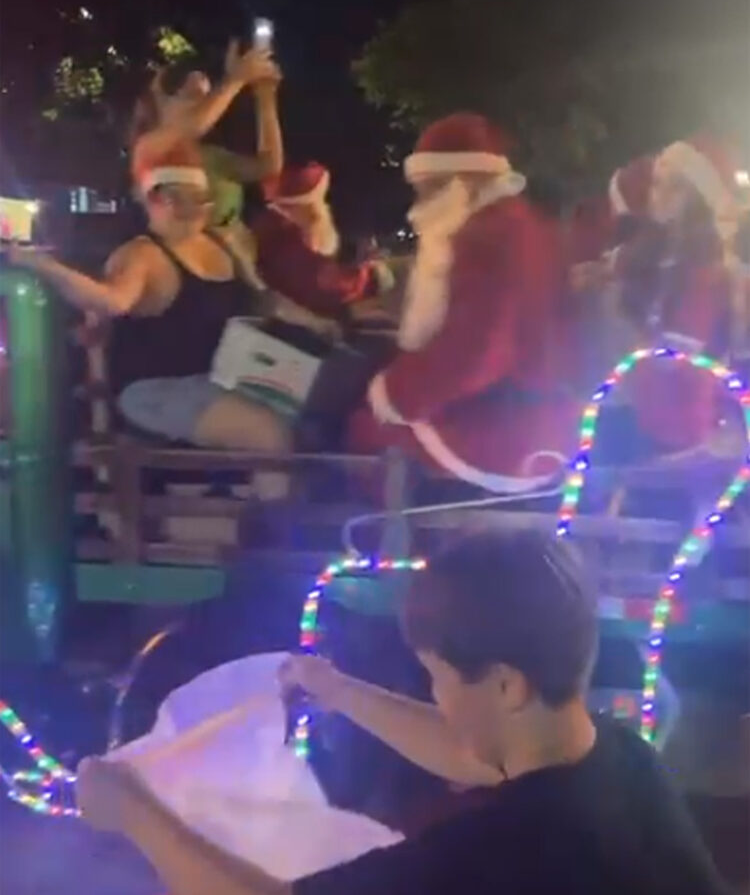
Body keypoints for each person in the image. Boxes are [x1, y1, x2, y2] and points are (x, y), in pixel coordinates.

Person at [76, 527, 729, 894]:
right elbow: (465, 753)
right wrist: (334, 688)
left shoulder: (500, 854)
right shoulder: (620, 758)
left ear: (504, 684)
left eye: (439, 676)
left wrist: (135, 810)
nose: (436, 695)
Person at [9, 141, 290, 457]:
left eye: (201, 200)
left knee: (309, 413)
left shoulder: (222, 242)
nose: (194, 212)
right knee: (266, 431)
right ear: (155, 200)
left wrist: (324, 323)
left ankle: (266, 500)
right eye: (181, 201)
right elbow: (112, 301)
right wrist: (41, 264)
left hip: (225, 376)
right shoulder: (141, 254)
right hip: (155, 390)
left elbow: (263, 297)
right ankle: (277, 506)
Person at [347, 113, 579, 492]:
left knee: (357, 434)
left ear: (462, 182)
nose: (417, 205)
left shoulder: (485, 235)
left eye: (427, 189)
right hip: (540, 423)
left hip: (495, 434)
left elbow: (476, 354)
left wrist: (393, 394)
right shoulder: (524, 223)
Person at [577, 135, 742, 455]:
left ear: (698, 198)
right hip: (650, 410)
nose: (657, 195)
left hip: (676, 423)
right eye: (657, 184)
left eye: (672, 187)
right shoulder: (667, 250)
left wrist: (614, 335)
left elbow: (673, 357)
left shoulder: (703, 267)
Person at [130, 40, 284, 231]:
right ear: (158, 102)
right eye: (191, 97)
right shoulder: (147, 148)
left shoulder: (209, 155)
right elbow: (192, 126)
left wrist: (265, 95)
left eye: (205, 98)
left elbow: (268, 165)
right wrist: (237, 79)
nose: (206, 107)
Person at [252, 162, 393, 321]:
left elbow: (374, 272)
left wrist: (371, 265)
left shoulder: (337, 225)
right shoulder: (280, 241)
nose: (317, 211)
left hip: (356, 302)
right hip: (316, 319)